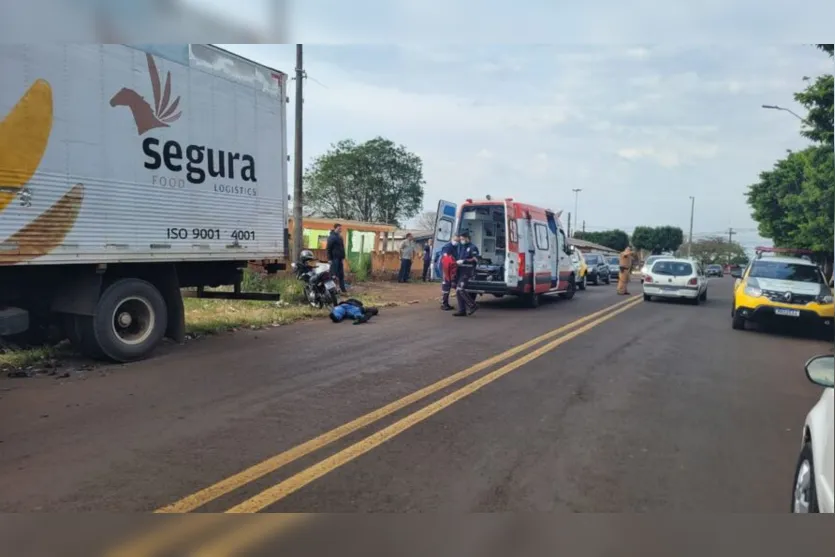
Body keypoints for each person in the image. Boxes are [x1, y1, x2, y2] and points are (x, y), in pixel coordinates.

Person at [453, 231, 480, 316]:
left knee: (460, 288)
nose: (461, 240)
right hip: (461, 270)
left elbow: (475, 259)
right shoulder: (462, 247)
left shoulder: (473, 247)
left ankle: (473, 305)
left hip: (468, 270)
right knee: (458, 290)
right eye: (460, 239)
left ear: (467, 238)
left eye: (463, 239)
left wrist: (464, 261)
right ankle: (462, 310)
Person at [326, 223, 347, 293]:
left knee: (341, 274)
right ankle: (332, 290)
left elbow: (342, 248)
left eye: (341, 228)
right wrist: (329, 259)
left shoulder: (340, 237)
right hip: (334, 259)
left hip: (340, 258)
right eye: (339, 228)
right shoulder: (332, 237)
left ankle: (343, 289)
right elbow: (328, 248)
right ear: (335, 228)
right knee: (333, 275)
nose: (340, 230)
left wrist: (343, 256)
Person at [439, 242, 458, 311]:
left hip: (447, 272)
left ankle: (445, 303)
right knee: (446, 288)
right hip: (446, 272)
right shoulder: (447, 249)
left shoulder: (452, 249)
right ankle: (444, 304)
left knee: (446, 288)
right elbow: (446, 267)